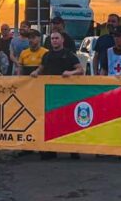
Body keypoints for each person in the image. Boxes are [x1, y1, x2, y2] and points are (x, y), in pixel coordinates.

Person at [31, 31, 84, 160]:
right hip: (51, 93)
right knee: (51, 122)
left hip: (67, 93)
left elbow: (81, 70)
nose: (54, 40)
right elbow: (41, 68)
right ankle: (51, 150)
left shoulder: (69, 55)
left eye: (57, 38)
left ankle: (73, 149)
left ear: (62, 40)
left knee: (69, 121)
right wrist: (35, 72)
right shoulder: (47, 55)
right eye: (52, 38)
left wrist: (70, 73)